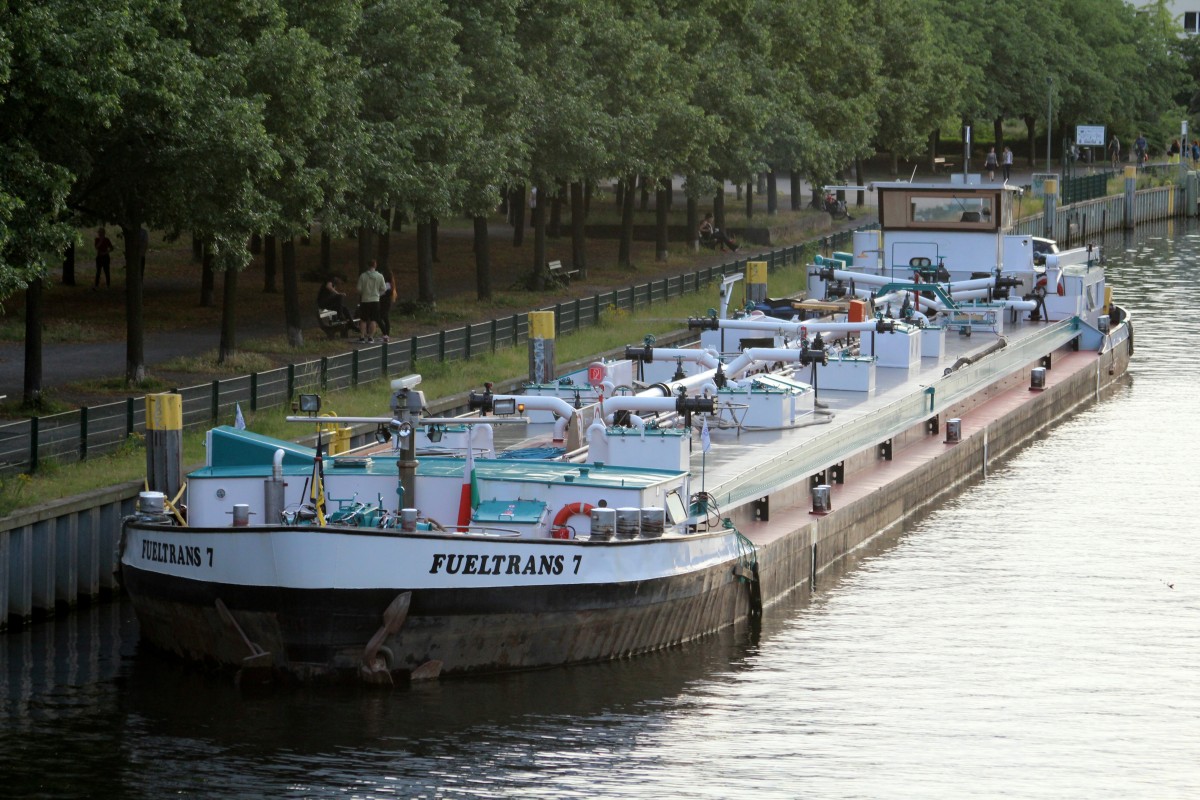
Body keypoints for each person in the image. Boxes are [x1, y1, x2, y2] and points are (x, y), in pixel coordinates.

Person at [356, 259, 387, 343]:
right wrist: (377, 294)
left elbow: (358, 289)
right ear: (375, 265)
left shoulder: (363, 276)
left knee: (363, 319)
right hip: (375, 300)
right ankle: (370, 337)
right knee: (373, 319)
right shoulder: (380, 276)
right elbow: (384, 289)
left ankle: (362, 337)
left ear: (368, 265)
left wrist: (364, 293)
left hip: (365, 300)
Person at [378, 269, 396, 342]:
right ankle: (386, 334)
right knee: (385, 318)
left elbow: (381, 293)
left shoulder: (387, 284)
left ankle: (386, 334)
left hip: (384, 302)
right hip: (386, 302)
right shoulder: (390, 284)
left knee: (383, 317)